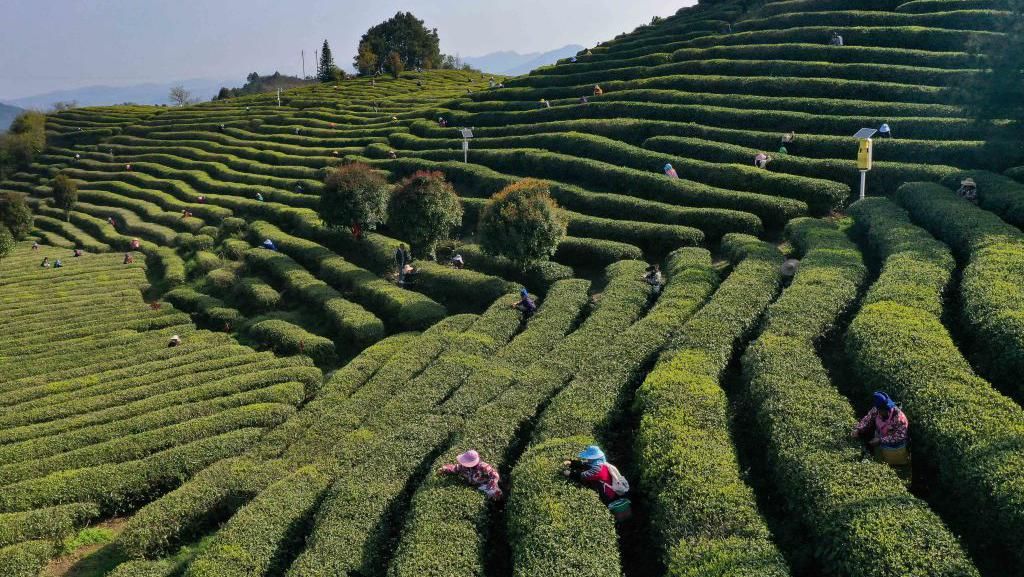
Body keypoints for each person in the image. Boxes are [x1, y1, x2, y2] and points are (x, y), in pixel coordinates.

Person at [562, 445, 632, 521]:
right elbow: (585, 464)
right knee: (625, 513)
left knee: (619, 516)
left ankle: (622, 524)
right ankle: (627, 521)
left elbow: (583, 475)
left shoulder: (597, 470)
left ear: (593, 459)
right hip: (616, 493)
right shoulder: (602, 464)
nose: (587, 459)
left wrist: (570, 474)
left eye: (589, 458)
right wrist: (571, 463)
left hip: (609, 496)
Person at [851, 392, 910, 466]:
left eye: (888, 409)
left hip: (895, 447)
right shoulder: (876, 410)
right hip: (880, 440)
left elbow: (899, 436)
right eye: (884, 410)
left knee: (896, 464)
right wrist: (858, 429)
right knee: (880, 462)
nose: (887, 410)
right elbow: (867, 420)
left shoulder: (900, 418)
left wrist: (880, 440)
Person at [437, 450, 502, 500]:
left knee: (496, 493)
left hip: (485, 484)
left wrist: (491, 484)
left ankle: (499, 503)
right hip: (474, 485)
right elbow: (455, 468)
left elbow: (495, 475)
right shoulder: (464, 467)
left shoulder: (483, 467)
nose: (463, 464)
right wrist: (445, 469)